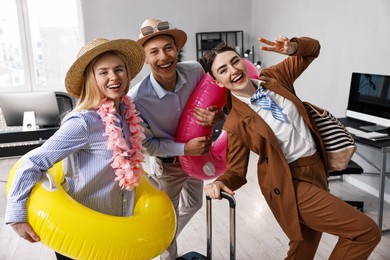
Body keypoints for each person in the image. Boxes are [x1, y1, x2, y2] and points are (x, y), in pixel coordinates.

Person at [202, 36, 381, 259]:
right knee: (365, 232)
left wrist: (293, 47)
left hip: (317, 168)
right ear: (219, 82)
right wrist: (219, 182)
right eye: (223, 70)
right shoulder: (236, 122)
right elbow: (236, 172)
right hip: (289, 183)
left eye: (235, 61)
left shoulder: (275, 78)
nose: (233, 70)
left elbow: (312, 50)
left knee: (302, 252)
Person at [5, 38, 146, 260]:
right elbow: (33, 161)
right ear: (91, 79)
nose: (114, 77)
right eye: (103, 72)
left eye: (119, 69)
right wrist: (17, 216)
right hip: (81, 229)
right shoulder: (83, 122)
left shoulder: (127, 115)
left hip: (116, 224)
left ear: (127, 75)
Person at [128, 18, 224, 259]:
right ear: (146, 58)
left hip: (197, 160)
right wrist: (184, 148)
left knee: (194, 204)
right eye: (154, 51)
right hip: (167, 166)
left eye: (168, 48)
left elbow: (217, 104)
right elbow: (147, 145)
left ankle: (158, 239)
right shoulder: (136, 99)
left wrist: (217, 116)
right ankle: (164, 249)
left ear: (177, 50)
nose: (164, 56)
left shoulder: (195, 70)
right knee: (166, 217)